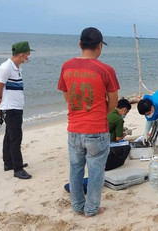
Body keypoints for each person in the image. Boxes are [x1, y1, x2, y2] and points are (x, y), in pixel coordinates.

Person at [57, 27, 119, 217]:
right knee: (96, 171)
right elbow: (114, 102)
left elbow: (67, 96)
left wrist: (82, 110)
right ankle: (91, 209)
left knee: (75, 169)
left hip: (74, 128)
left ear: (80, 44)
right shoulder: (106, 70)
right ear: (100, 46)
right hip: (96, 129)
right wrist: (98, 111)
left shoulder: (66, 66)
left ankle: (77, 206)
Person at [0, 41, 33, 179]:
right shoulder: (6, 67)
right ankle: (17, 169)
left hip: (16, 107)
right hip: (10, 109)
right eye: (27, 55)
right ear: (22, 55)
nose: (28, 58)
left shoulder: (17, 68)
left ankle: (8, 163)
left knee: (9, 136)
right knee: (16, 138)